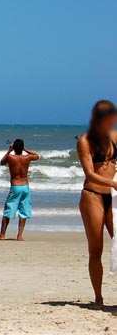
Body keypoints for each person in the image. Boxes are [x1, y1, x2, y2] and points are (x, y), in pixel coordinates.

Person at [78, 100, 117, 310]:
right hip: (93, 196)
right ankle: (99, 298)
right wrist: (112, 182)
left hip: (114, 197)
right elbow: (90, 173)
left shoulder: (114, 137)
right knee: (96, 249)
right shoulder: (85, 141)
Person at [0, 139, 39, 241]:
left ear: (14, 148)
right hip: (25, 186)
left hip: (15, 187)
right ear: (22, 148)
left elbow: (2, 162)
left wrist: (9, 151)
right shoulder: (27, 157)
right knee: (23, 212)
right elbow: (37, 156)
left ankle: (2, 235)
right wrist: (26, 149)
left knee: (8, 210)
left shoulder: (11, 157)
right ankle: (19, 235)